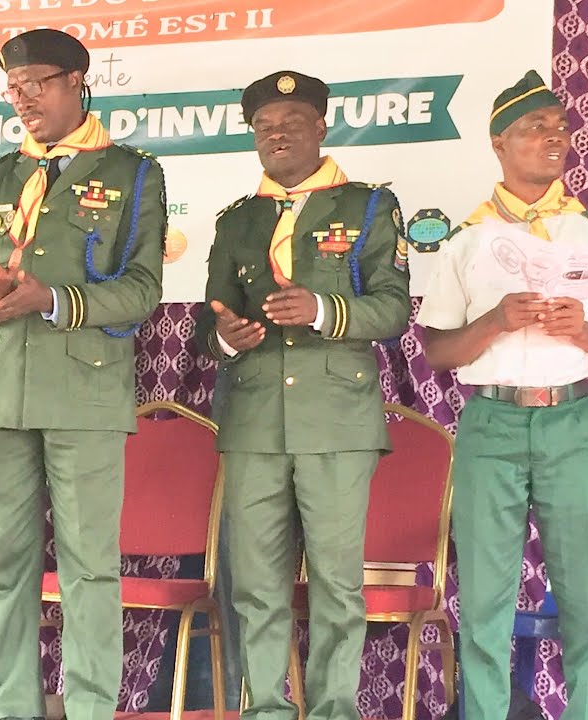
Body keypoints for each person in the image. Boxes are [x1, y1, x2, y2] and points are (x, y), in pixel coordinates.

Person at [0, 28, 166, 720]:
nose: (23, 98)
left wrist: (53, 300)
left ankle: (93, 708)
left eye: (37, 83)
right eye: (14, 87)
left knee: (89, 568)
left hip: (85, 394)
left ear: (77, 81)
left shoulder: (133, 173)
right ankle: (15, 707)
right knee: (3, 566)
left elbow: (141, 291)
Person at [417, 70, 588, 720]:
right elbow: (436, 350)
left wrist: (586, 330)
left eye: (559, 127)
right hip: (492, 423)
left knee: (584, 604)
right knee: (484, 604)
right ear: (499, 144)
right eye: (535, 128)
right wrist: (495, 321)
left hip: (572, 420)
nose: (553, 138)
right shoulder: (468, 240)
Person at [196, 70, 410, 720]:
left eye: (291, 122)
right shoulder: (238, 220)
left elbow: (393, 310)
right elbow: (209, 325)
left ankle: (333, 710)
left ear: (320, 126)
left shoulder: (370, 207)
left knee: (337, 587)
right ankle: (265, 708)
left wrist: (321, 308)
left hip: (337, 422)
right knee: (256, 587)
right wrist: (229, 337)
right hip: (254, 422)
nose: (277, 135)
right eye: (264, 126)